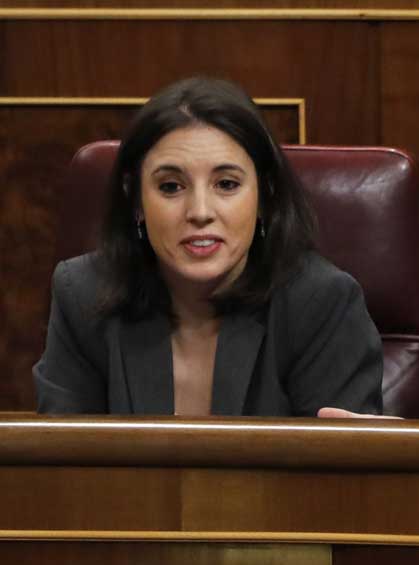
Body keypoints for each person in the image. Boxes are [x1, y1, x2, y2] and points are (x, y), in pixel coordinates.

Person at [34, 77, 382, 416]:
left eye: (227, 184)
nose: (200, 212)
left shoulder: (321, 303)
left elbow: (337, 471)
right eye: (171, 187)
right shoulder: (83, 295)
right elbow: (66, 465)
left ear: (265, 195)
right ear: (136, 199)